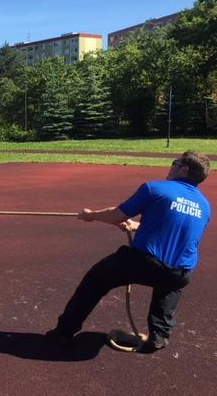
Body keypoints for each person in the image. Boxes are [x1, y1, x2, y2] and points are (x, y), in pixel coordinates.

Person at [46, 151, 211, 353]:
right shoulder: (204, 206)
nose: (171, 166)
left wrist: (92, 216)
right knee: (169, 286)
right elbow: (175, 231)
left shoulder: (155, 188)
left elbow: (117, 215)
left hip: (144, 262)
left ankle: (63, 332)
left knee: (96, 279)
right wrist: (136, 226)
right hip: (181, 272)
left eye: (175, 163)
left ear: (184, 169)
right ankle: (158, 336)